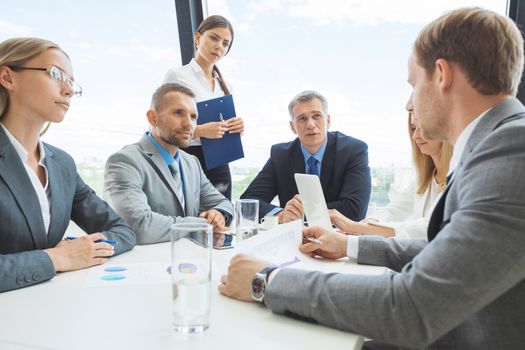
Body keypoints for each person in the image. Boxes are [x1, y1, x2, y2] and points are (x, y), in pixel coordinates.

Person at [219, 7, 525, 349]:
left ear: (441, 75)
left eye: (413, 84)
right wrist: (348, 244)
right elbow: (445, 251)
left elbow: (409, 308)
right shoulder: (498, 144)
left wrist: (267, 280)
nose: (411, 101)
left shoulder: (513, 153)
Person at [0, 37, 136, 293]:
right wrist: (57, 258)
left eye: (72, 82)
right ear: (8, 78)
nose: (69, 90)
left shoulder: (61, 164)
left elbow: (121, 231)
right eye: (55, 74)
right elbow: (57, 257)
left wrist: (83, 249)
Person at [104, 83, 234, 245]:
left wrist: (218, 214)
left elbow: (224, 203)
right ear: (153, 117)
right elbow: (139, 226)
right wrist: (203, 224)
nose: (189, 124)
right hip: (146, 265)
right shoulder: (124, 161)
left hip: (190, 263)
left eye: (193, 117)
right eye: (179, 113)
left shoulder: (191, 163)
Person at [240, 90, 371, 223]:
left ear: (328, 120)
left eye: (316, 116)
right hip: (295, 238)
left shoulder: (353, 150)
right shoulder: (281, 155)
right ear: (293, 127)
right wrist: (281, 215)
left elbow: (355, 210)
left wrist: (301, 212)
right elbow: (247, 202)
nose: (310, 124)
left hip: (338, 237)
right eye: (302, 118)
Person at [330, 108, 453, 238]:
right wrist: (368, 224)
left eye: (422, 128)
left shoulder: (457, 177)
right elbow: (392, 211)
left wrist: (357, 227)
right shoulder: (423, 179)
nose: (415, 136)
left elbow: (427, 227)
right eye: (413, 128)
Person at [163, 15, 242, 200]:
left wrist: (236, 128)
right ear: (198, 38)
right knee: (190, 217)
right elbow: (158, 128)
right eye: (214, 38)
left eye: (225, 43)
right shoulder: (177, 76)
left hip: (220, 161)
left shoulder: (226, 85)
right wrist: (199, 130)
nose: (219, 47)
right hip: (187, 158)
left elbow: (223, 127)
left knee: (221, 216)